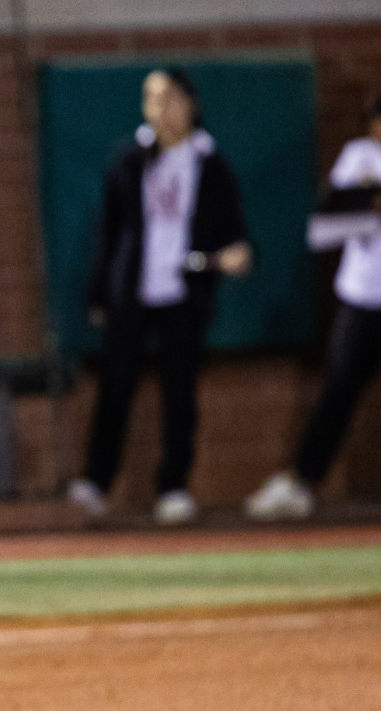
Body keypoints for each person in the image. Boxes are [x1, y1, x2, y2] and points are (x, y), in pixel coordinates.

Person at [69, 67, 253, 525]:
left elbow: (234, 234)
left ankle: (173, 486)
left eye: (167, 97)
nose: (157, 108)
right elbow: (107, 231)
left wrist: (230, 255)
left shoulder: (211, 164)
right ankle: (96, 480)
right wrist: (100, 294)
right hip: (132, 293)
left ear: (189, 103)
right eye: (149, 98)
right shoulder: (130, 160)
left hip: (182, 295)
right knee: (115, 388)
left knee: (179, 392)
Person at [245, 92, 381, 529]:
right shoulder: (357, 156)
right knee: (338, 388)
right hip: (362, 292)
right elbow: (331, 221)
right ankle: (301, 482)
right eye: (375, 133)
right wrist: (367, 206)